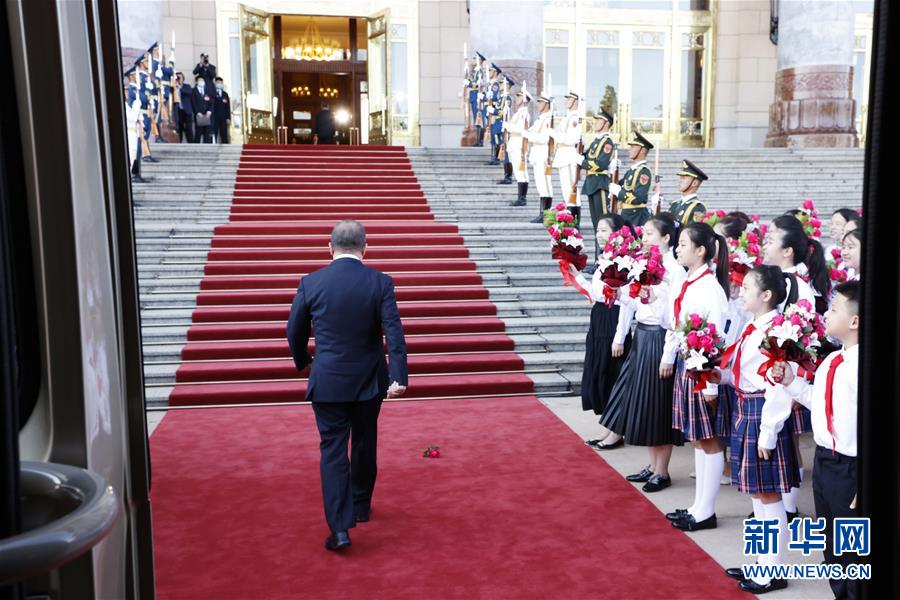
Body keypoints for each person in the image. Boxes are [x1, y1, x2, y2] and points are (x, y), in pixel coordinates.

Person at [286, 220, 408, 552]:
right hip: (370, 380)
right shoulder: (380, 282)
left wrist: (304, 361)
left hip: (327, 378)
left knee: (333, 450)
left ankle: (339, 528)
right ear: (365, 248)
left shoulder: (312, 282)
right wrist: (398, 376)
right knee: (365, 440)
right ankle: (361, 504)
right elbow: (393, 333)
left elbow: (294, 329)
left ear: (330, 247)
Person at [769, 280, 860, 600]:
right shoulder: (832, 361)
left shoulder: (864, 366)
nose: (826, 313)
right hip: (825, 461)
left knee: (855, 549)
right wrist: (791, 383)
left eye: (833, 309)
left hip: (852, 466)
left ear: (854, 321)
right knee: (831, 542)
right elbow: (817, 402)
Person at [719, 265, 801, 595]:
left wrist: (768, 431)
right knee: (758, 497)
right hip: (747, 407)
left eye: (748, 286)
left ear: (766, 295)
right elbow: (746, 373)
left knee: (768, 497)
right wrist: (720, 377)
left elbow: (778, 386)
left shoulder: (777, 332)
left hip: (762, 413)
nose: (741, 291)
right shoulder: (754, 327)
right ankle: (761, 563)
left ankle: (772, 571)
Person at [609, 213, 686, 490]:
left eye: (651, 234)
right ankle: (652, 465)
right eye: (644, 233)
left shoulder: (674, 270)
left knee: (658, 404)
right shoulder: (642, 262)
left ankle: (662, 470)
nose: (645, 238)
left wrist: (668, 353)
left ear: (666, 238)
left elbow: (674, 315)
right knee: (644, 401)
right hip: (641, 335)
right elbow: (631, 300)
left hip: (659, 337)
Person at [663, 222, 730, 532]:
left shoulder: (710, 288)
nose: (678, 248)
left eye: (684, 243)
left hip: (703, 371)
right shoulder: (689, 282)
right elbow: (676, 325)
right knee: (699, 441)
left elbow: (715, 337)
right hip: (688, 366)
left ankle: (706, 510)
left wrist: (710, 385)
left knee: (710, 440)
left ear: (701, 250)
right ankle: (698, 506)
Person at [569, 214, 633, 447]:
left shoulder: (624, 260)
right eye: (598, 230)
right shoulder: (605, 257)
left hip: (614, 320)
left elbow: (626, 302)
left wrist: (620, 337)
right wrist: (577, 277)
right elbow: (597, 294)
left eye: (605, 230)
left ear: (618, 233)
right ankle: (608, 427)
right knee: (599, 371)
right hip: (599, 316)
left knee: (612, 374)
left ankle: (617, 430)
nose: (599, 234)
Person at [580, 108, 616, 271]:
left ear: (606, 123)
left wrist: (583, 162)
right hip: (591, 182)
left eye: (598, 120)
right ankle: (597, 260)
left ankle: (604, 260)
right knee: (597, 225)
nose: (595, 123)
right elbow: (587, 156)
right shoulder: (596, 141)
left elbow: (600, 164)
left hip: (600, 183)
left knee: (603, 224)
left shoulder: (607, 142)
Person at [550, 91, 583, 225]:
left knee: (572, 189)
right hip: (563, 154)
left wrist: (554, 135)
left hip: (569, 155)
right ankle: (571, 221)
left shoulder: (575, 118)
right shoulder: (567, 117)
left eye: (569, 99)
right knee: (566, 190)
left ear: (575, 101)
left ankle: (575, 223)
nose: (566, 101)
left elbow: (572, 138)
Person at [612, 131, 655, 226]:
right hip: (627, 214)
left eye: (633, 147)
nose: (629, 150)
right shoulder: (632, 171)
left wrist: (619, 192)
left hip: (636, 217)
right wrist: (612, 171)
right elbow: (619, 185)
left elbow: (638, 197)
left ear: (642, 150)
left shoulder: (644, 172)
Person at [524, 93, 555, 223]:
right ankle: (542, 213)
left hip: (543, 154)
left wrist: (527, 135)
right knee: (540, 185)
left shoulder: (548, 119)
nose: (539, 105)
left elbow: (543, 138)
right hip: (537, 154)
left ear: (547, 104)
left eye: (541, 102)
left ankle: (547, 216)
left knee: (545, 185)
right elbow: (531, 131)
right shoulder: (540, 119)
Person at [503, 83, 532, 207]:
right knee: (518, 171)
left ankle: (522, 198)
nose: (517, 99)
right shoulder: (518, 113)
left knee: (521, 172)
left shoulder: (524, 114)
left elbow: (520, 129)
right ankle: (520, 197)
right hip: (514, 143)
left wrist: (507, 125)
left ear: (525, 99)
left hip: (519, 144)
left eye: (519, 97)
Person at [669, 160, 708, 225]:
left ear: (694, 183)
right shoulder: (674, 204)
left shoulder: (698, 207)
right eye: (680, 178)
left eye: (683, 178)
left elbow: (693, 232)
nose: (680, 181)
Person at [496, 75, 516, 185]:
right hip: (501, 125)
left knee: (507, 153)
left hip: (506, 128)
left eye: (501, 83)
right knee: (504, 151)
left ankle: (509, 176)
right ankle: (506, 175)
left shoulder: (507, 98)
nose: (499, 85)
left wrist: (494, 111)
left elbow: (502, 112)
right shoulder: (501, 98)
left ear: (507, 85)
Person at [486, 63, 503, 165]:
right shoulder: (490, 84)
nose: (489, 73)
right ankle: (493, 156)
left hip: (495, 114)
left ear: (495, 72)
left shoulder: (496, 84)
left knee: (495, 136)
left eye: (491, 71)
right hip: (490, 112)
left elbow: (495, 98)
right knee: (492, 136)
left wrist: (491, 98)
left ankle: (496, 157)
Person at [191, 75, 214, 143]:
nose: (201, 82)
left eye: (202, 80)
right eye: (199, 80)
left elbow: (211, 102)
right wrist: (197, 112)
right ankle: (196, 146)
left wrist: (209, 111)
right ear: (197, 82)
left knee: (207, 131)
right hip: (199, 114)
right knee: (198, 131)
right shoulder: (193, 91)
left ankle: (206, 146)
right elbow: (193, 103)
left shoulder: (207, 90)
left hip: (207, 114)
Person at [174, 72, 194, 143]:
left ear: (183, 79)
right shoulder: (174, 87)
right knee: (179, 128)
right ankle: (179, 142)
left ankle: (191, 143)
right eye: (177, 77)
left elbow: (189, 92)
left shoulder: (187, 86)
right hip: (178, 110)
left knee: (189, 128)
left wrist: (180, 87)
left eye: (180, 77)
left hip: (186, 110)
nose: (178, 79)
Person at [212, 77, 231, 144]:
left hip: (223, 117)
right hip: (214, 117)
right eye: (217, 83)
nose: (219, 84)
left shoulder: (225, 94)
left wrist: (228, 117)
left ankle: (225, 145)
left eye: (220, 83)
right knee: (214, 132)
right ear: (215, 84)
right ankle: (213, 145)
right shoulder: (212, 93)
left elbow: (227, 107)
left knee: (224, 133)